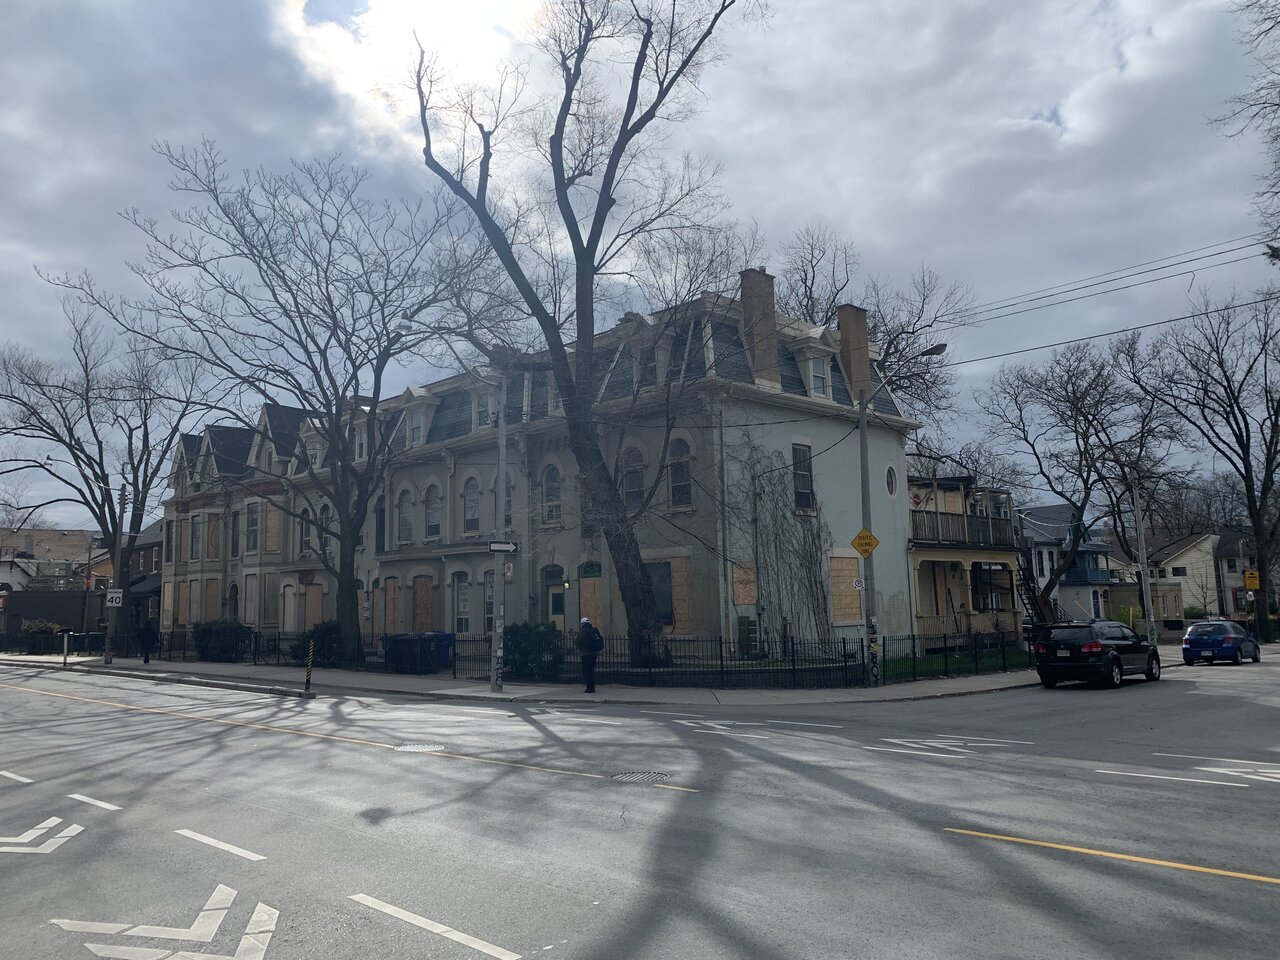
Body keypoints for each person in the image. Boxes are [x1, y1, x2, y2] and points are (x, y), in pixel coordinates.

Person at [576, 616, 604, 693]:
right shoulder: (593, 630)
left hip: (585, 654)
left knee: (586, 671)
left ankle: (589, 687)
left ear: (582, 624)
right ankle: (592, 686)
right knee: (591, 670)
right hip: (594, 653)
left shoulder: (582, 632)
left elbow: (577, 642)